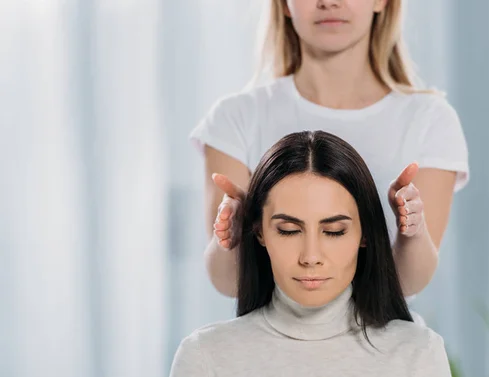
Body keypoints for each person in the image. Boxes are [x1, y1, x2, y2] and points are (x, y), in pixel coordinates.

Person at [194, 0, 469, 299]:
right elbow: (228, 283)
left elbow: (408, 282)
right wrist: (233, 239)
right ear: (284, 5)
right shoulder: (236, 118)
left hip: (384, 341)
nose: (329, 2)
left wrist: (411, 233)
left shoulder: (430, 119)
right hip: (267, 341)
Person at [167, 131, 455, 377]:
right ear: (259, 232)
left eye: (333, 232)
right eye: (289, 230)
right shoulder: (205, 358)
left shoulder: (419, 354)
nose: (310, 256)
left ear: (364, 234)